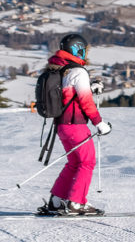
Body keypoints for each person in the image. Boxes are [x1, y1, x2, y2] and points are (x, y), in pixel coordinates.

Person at [39, 32, 112, 216]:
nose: (86, 54)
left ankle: (56, 201)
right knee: (87, 162)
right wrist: (99, 123)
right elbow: (86, 102)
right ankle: (76, 203)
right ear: (77, 50)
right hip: (76, 125)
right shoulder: (78, 72)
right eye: (84, 50)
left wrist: (91, 87)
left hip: (62, 126)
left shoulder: (61, 69)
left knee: (74, 163)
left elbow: (68, 94)